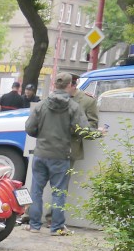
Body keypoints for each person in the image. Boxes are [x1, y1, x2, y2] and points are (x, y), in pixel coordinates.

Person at [24, 72, 89, 236]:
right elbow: (83, 130)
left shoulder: (41, 104)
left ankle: (34, 225)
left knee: (36, 190)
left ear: (54, 85)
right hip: (61, 155)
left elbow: (29, 128)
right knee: (59, 192)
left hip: (41, 153)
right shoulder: (74, 107)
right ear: (69, 85)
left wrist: (41, 135)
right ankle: (57, 227)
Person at [67, 73, 100, 166]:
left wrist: (75, 127)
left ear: (73, 85)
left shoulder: (87, 100)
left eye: (64, 86)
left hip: (69, 148)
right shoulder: (55, 98)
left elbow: (92, 124)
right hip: (49, 149)